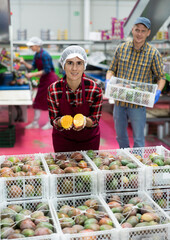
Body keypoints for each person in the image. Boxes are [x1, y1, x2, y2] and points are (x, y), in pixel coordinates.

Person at [106, 17, 165, 148]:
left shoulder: (153, 54)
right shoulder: (121, 49)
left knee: (138, 138)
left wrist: (158, 91)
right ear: (132, 29)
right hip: (119, 100)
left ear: (148, 33)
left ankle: (137, 165)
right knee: (120, 135)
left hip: (138, 102)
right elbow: (111, 69)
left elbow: (161, 77)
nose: (139, 34)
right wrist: (108, 81)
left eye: (143, 31)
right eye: (137, 30)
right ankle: (125, 160)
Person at [47, 45, 103, 152]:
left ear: (84, 66)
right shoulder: (53, 89)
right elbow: (54, 119)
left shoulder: (94, 89)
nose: (74, 68)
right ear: (63, 65)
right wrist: (61, 122)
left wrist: (85, 121)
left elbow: (95, 119)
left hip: (89, 140)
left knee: (88, 167)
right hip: (63, 140)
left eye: (79, 63)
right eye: (70, 63)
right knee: (63, 167)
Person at [20, 37, 59, 129]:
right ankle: (35, 123)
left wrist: (32, 74)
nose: (30, 48)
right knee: (37, 101)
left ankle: (51, 123)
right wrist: (23, 62)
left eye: (31, 46)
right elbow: (33, 67)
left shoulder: (44, 55)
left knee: (50, 101)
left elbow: (46, 70)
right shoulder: (36, 55)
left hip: (50, 79)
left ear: (37, 45)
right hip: (43, 80)